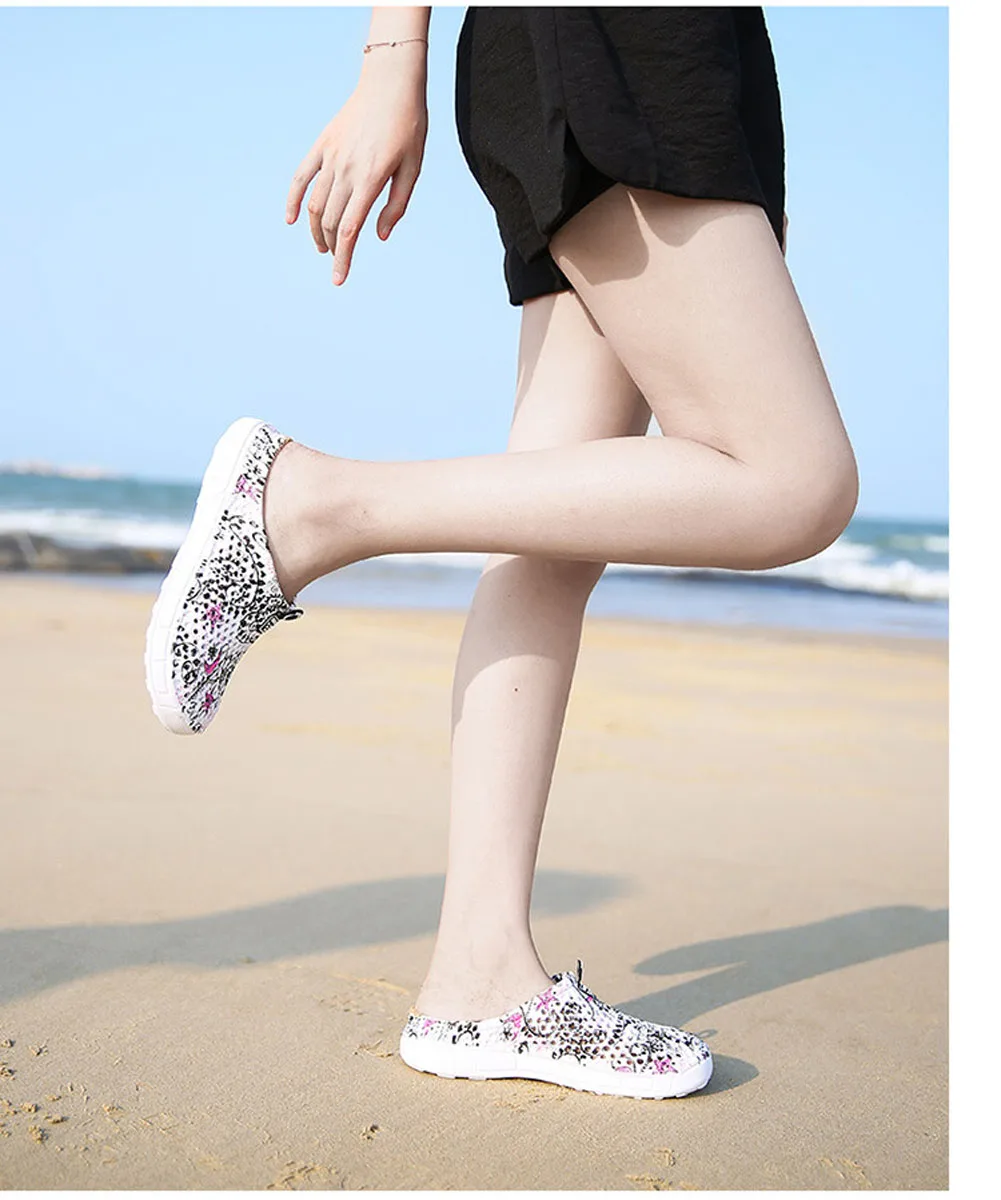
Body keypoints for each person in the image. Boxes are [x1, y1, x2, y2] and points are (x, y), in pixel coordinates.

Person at [144, 5, 858, 1101]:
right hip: (621, 42)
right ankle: (315, 507)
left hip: (652, 48)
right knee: (792, 483)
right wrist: (392, 60)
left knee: (551, 536)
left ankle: (476, 978)